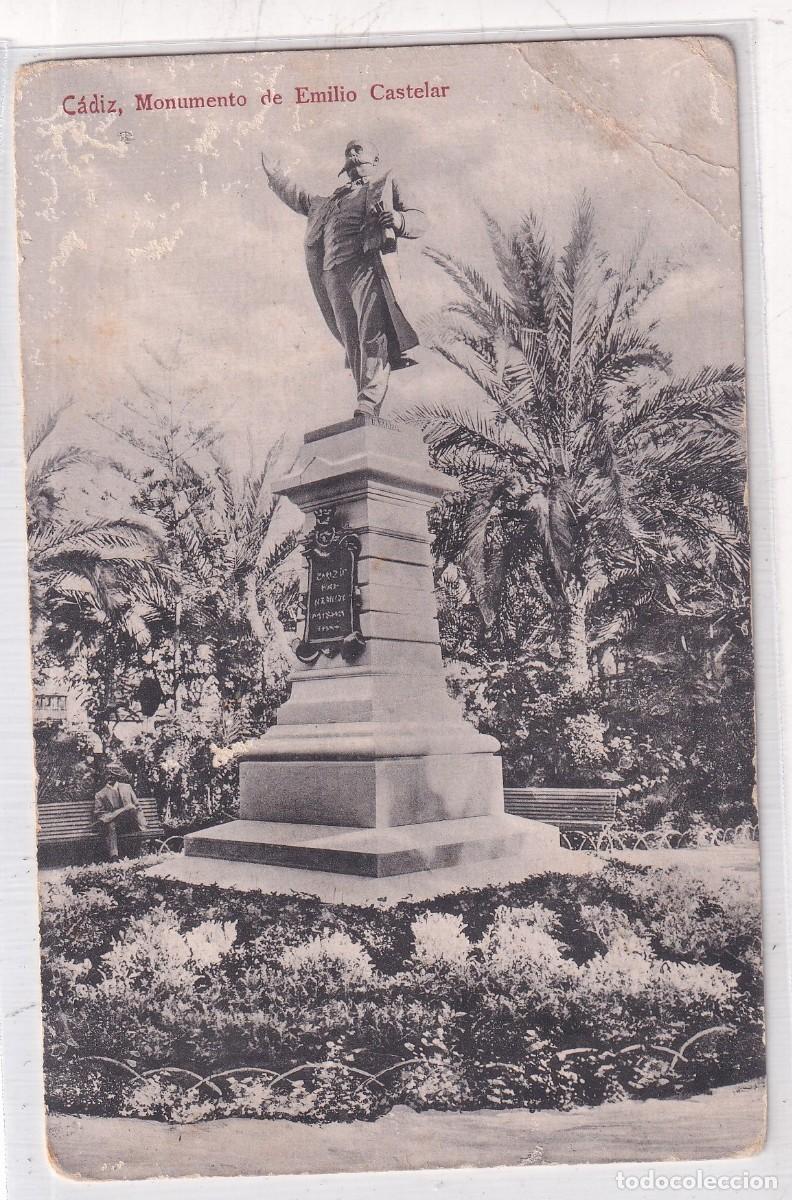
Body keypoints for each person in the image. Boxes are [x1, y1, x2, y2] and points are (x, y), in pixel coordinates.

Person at [261, 138, 426, 417]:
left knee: (372, 333)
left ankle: (369, 402)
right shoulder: (326, 203)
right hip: (332, 273)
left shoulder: (385, 182)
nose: (351, 153)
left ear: (375, 158)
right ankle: (364, 402)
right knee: (351, 340)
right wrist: (276, 177)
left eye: (358, 149)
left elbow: (420, 219)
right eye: (348, 151)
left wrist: (397, 220)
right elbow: (299, 197)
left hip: (366, 265)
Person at [93, 764, 147, 860]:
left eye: (111, 774)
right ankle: (114, 856)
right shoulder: (100, 794)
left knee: (131, 809)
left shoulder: (127, 787)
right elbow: (100, 815)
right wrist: (122, 810)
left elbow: (137, 806)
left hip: (131, 823)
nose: (109, 777)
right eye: (106, 774)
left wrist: (142, 824)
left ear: (117, 776)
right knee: (110, 825)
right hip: (115, 825)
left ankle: (134, 855)